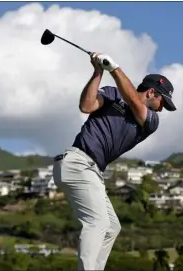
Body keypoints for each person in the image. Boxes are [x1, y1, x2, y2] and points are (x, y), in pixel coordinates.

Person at [53, 52, 176, 270]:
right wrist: (98, 72)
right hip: (78, 163)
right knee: (98, 223)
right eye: (162, 102)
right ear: (151, 92)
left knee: (111, 227)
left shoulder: (151, 120)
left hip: (91, 170)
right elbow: (86, 106)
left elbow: (134, 103)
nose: (162, 108)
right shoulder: (112, 93)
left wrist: (115, 68)